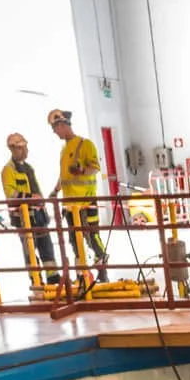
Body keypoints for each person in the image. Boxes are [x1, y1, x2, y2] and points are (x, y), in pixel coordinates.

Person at [48, 109, 108, 281]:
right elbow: (64, 175)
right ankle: (82, 274)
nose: (54, 132)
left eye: (55, 128)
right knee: (75, 240)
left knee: (92, 237)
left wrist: (82, 170)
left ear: (62, 124)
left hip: (86, 202)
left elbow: (95, 167)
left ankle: (102, 267)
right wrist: (56, 190)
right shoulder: (64, 149)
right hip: (70, 205)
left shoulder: (85, 144)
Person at [0, 133, 57, 289]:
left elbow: (36, 188)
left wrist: (42, 206)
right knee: (30, 249)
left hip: (38, 214)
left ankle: (53, 278)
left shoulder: (28, 168)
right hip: (24, 217)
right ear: (12, 149)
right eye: (21, 148)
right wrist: (31, 197)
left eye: (25, 147)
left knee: (46, 246)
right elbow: (10, 194)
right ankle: (36, 280)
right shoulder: (8, 171)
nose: (25, 150)